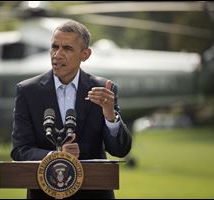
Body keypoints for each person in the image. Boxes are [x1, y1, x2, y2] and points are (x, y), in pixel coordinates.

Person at [10, 20, 132, 199]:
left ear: (85, 54)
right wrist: (56, 156)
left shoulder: (104, 90)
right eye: (54, 47)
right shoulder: (27, 91)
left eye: (67, 48)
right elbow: (20, 150)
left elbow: (120, 150)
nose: (57, 55)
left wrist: (110, 115)